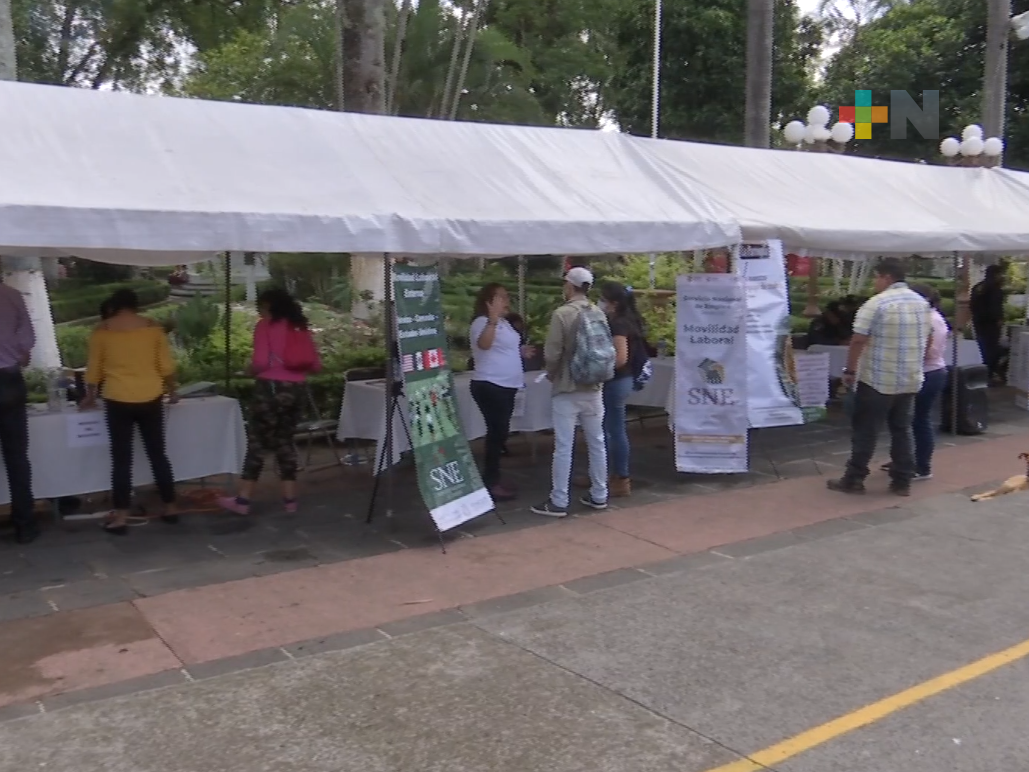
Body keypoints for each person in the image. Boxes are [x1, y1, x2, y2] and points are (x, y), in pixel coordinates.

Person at [827, 259, 931, 497]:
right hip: (910, 378)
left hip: (877, 378)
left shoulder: (876, 303)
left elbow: (858, 340)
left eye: (876, 277)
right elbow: (928, 338)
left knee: (866, 430)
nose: (874, 282)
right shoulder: (922, 303)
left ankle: (854, 478)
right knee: (902, 429)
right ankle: (902, 481)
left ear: (886, 277)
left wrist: (850, 370)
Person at [81, 289, 179, 535]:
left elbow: (94, 369)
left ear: (114, 306)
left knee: (121, 460)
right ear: (136, 306)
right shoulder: (153, 330)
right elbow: (165, 366)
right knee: (158, 454)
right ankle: (171, 507)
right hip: (151, 396)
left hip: (117, 398)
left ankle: (121, 517)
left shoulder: (102, 332)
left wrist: (90, 397)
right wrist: (173, 391)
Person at [219, 288, 321, 516]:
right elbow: (315, 364)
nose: (259, 311)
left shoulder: (265, 326)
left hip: (270, 389)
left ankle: (243, 500)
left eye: (260, 306)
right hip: (297, 390)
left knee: (257, 444)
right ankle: (290, 501)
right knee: (285, 442)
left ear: (268, 305)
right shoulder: (299, 326)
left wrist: (247, 371)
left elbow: (261, 361)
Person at [531, 267, 610, 517]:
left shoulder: (562, 314)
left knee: (564, 446)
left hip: (567, 386)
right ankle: (600, 494)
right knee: (597, 443)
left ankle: (559, 500)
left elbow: (552, 352)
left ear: (570, 286)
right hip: (594, 387)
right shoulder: (598, 311)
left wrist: (552, 373)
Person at [468, 284, 535, 501]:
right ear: (489, 301)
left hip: (507, 384)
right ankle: (490, 481)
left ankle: (493, 477)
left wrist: (521, 351)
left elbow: (504, 347)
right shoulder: (483, 322)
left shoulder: (504, 323)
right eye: (501, 297)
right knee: (497, 434)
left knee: (501, 433)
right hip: (491, 384)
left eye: (507, 297)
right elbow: (484, 345)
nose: (507, 301)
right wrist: (493, 318)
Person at [881, 284, 948, 482]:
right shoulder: (932, 317)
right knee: (906, 420)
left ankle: (921, 466)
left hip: (927, 372)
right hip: (930, 371)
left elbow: (927, 352)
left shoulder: (929, 320)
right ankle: (904, 460)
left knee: (918, 420)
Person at [597, 281, 645, 497]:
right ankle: (614, 475)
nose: (600, 303)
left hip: (615, 380)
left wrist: (600, 370)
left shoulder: (618, 324)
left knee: (611, 429)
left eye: (603, 299)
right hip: (623, 381)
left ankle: (615, 476)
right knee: (615, 428)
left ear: (613, 304)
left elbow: (620, 357)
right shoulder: (630, 320)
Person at [0, 281, 38, 544]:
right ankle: (24, 524)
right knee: (17, 458)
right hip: (9, 381)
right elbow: (26, 350)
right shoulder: (12, 296)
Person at [970, 264, 1006, 381]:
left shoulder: (978, 287)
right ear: (996, 274)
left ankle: (982, 374)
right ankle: (989, 375)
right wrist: (999, 320)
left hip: (979, 323)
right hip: (991, 325)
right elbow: (995, 308)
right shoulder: (995, 289)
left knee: (982, 349)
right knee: (992, 350)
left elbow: (972, 305)